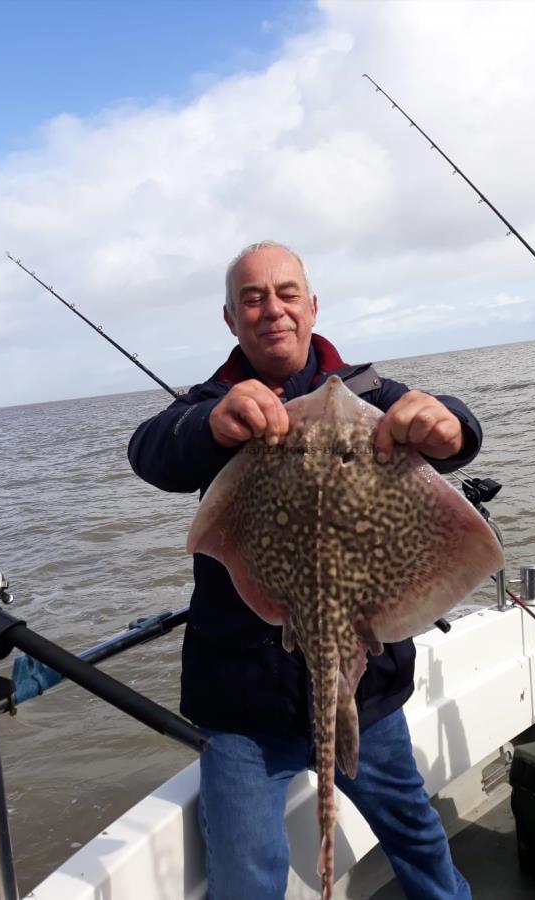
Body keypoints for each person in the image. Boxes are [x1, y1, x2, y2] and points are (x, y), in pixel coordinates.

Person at [128, 241, 482, 900]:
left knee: (416, 839)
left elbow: (451, 425)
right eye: (252, 299)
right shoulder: (212, 403)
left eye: (286, 293)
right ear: (231, 319)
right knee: (244, 879)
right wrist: (211, 423)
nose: (272, 310)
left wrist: (450, 426)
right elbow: (151, 449)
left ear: (311, 306)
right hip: (243, 703)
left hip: (367, 690)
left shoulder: (371, 395)